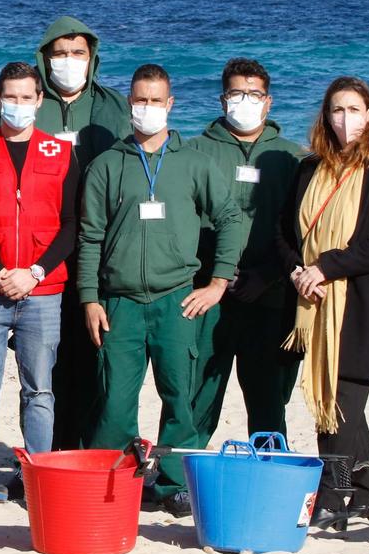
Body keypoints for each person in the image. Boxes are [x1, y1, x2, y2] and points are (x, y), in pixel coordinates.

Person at [75, 64, 244, 517]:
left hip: (177, 301)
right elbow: (89, 236)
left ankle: (173, 484)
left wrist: (218, 282)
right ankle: (114, 482)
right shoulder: (107, 165)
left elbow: (231, 218)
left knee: (180, 401)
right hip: (120, 303)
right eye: (139, 100)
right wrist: (89, 298)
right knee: (114, 402)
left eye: (155, 101)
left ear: (170, 105)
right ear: (129, 103)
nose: (146, 109)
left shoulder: (193, 162)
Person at [0, 16, 132, 454]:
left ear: (92, 59)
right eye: (60, 53)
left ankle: (85, 451)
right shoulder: (27, 104)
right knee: (38, 364)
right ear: (44, 58)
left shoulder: (112, 107)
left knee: (91, 357)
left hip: (97, 251)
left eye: (78, 54)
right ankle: (40, 454)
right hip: (37, 255)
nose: (69, 62)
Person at [278, 76, 369, 529]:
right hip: (312, 302)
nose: (345, 119)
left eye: (355, 110)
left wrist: (328, 267)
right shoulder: (307, 169)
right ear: (325, 115)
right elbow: (285, 233)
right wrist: (299, 269)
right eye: (337, 109)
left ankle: (332, 496)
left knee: (335, 405)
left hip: (361, 306)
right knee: (343, 405)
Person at [0, 62, 79, 511]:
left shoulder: (60, 153)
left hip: (43, 291)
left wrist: (36, 272)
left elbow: (71, 227)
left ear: (40, 101)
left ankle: (38, 477)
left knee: (39, 390)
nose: (18, 105)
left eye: (27, 98)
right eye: (11, 97)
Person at [191, 59, 306, 442]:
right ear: (223, 99)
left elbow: (302, 231)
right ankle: (177, 478)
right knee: (199, 394)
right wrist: (216, 276)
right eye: (237, 93)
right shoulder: (195, 151)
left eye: (254, 94)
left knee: (270, 400)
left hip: (270, 296)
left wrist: (267, 275)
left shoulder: (293, 158)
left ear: (268, 102)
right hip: (210, 294)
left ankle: (273, 468)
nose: (246, 101)